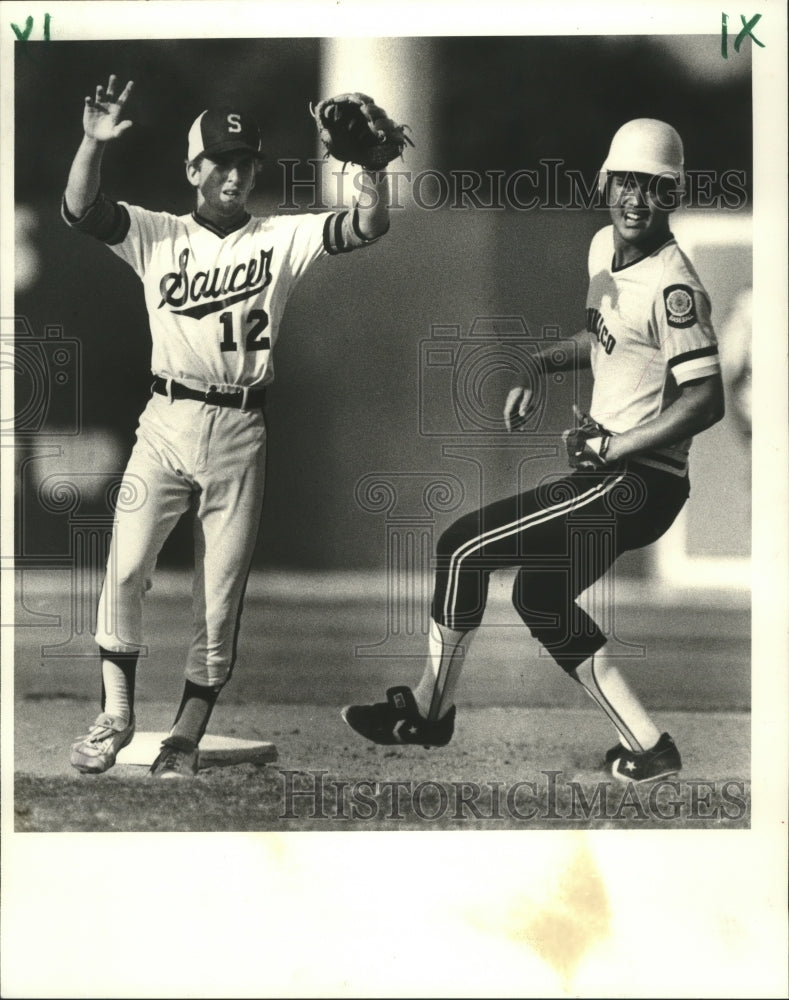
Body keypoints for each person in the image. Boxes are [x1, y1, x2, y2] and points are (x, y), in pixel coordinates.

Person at [343, 118, 725, 784]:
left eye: (654, 187)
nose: (636, 199)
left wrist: (616, 444)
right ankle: (648, 747)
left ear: (672, 196)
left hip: (638, 482)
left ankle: (430, 712)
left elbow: (706, 399)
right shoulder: (603, 247)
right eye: (627, 182)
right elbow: (603, 340)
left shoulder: (674, 286)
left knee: (463, 546)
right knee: (541, 596)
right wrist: (534, 365)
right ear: (607, 184)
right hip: (613, 473)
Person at [66, 75, 392, 778]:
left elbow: (368, 226)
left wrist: (369, 171)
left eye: (246, 164)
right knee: (124, 566)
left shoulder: (279, 237)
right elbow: (80, 209)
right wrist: (92, 144)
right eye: (221, 161)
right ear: (193, 168)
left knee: (217, 602)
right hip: (164, 421)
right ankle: (115, 715)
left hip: (241, 431)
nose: (236, 175)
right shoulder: (157, 233)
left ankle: (184, 733)